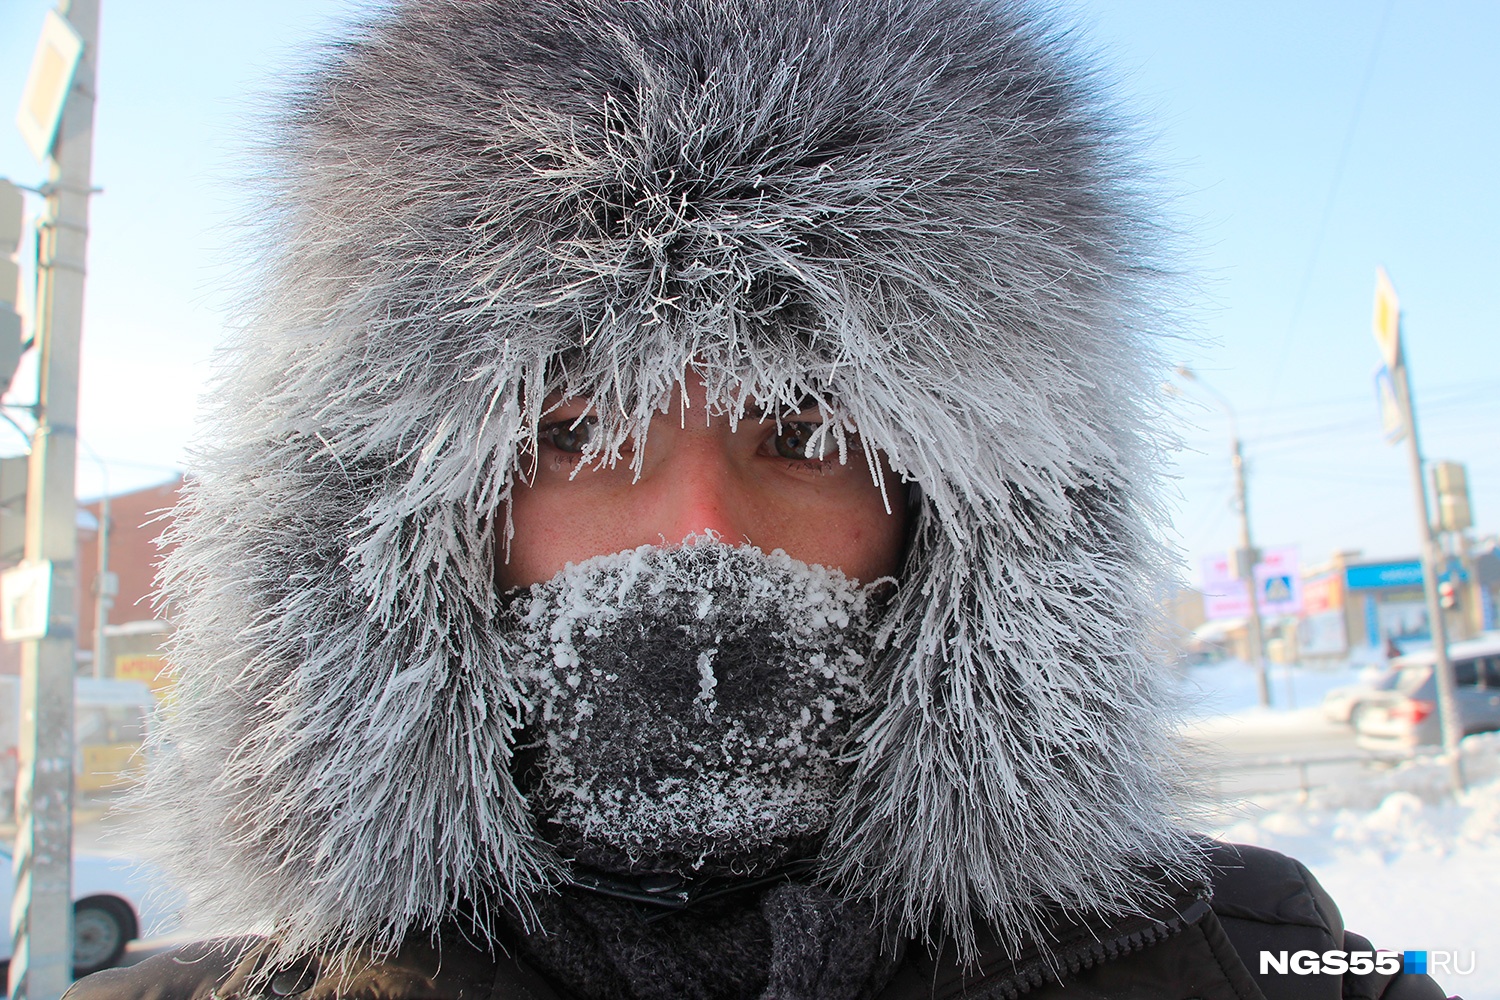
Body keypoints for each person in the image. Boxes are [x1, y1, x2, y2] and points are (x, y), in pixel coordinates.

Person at [70, 1, 1451, 998]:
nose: (702, 531)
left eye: (802, 434)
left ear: (971, 523)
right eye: (579, 433)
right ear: (390, 530)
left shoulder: (1260, 961)